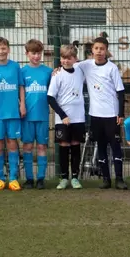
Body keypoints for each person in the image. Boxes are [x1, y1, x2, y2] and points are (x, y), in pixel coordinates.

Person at [76, 36, 127, 190]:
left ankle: (119, 178)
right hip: (95, 115)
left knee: (116, 146)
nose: (99, 51)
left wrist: (120, 114)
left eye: (102, 49)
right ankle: (106, 179)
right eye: (96, 48)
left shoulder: (112, 68)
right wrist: (58, 68)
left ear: (106, 51)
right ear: (92, 50)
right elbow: (69, 65)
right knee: (101, 146)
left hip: (111, 115)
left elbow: (121, 92)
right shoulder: (86, 65)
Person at [0, 36, 25, 192]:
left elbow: (21, 87)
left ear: (8, 49)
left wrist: (22, 104)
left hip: (13, 113)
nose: (1, 51)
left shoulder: (15, 67)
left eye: (3, 48)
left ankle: (13, 178)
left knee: (12, 144)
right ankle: (0, 178)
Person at [48, 44, 85, 190]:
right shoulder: (57, 75)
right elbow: (50, 98)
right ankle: (63, 178)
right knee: (64, 147)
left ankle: (75, 178)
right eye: (63, 58)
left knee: (76, 146)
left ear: (75, 59)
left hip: (78, 118)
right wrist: (62, 115)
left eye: (69, 58)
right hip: (62, 119)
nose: (66, 61)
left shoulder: (81, 71)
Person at [21, 39, 53, 189]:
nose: (36, 56)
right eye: (33, 53)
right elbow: (19, 94)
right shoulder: (22, 72)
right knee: (27, 146)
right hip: (26, 116)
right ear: (27, 54)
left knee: (42, 147)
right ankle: (28, 178)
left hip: (42, 116)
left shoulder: (48, 71)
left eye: (39, 53)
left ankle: (40, 178)